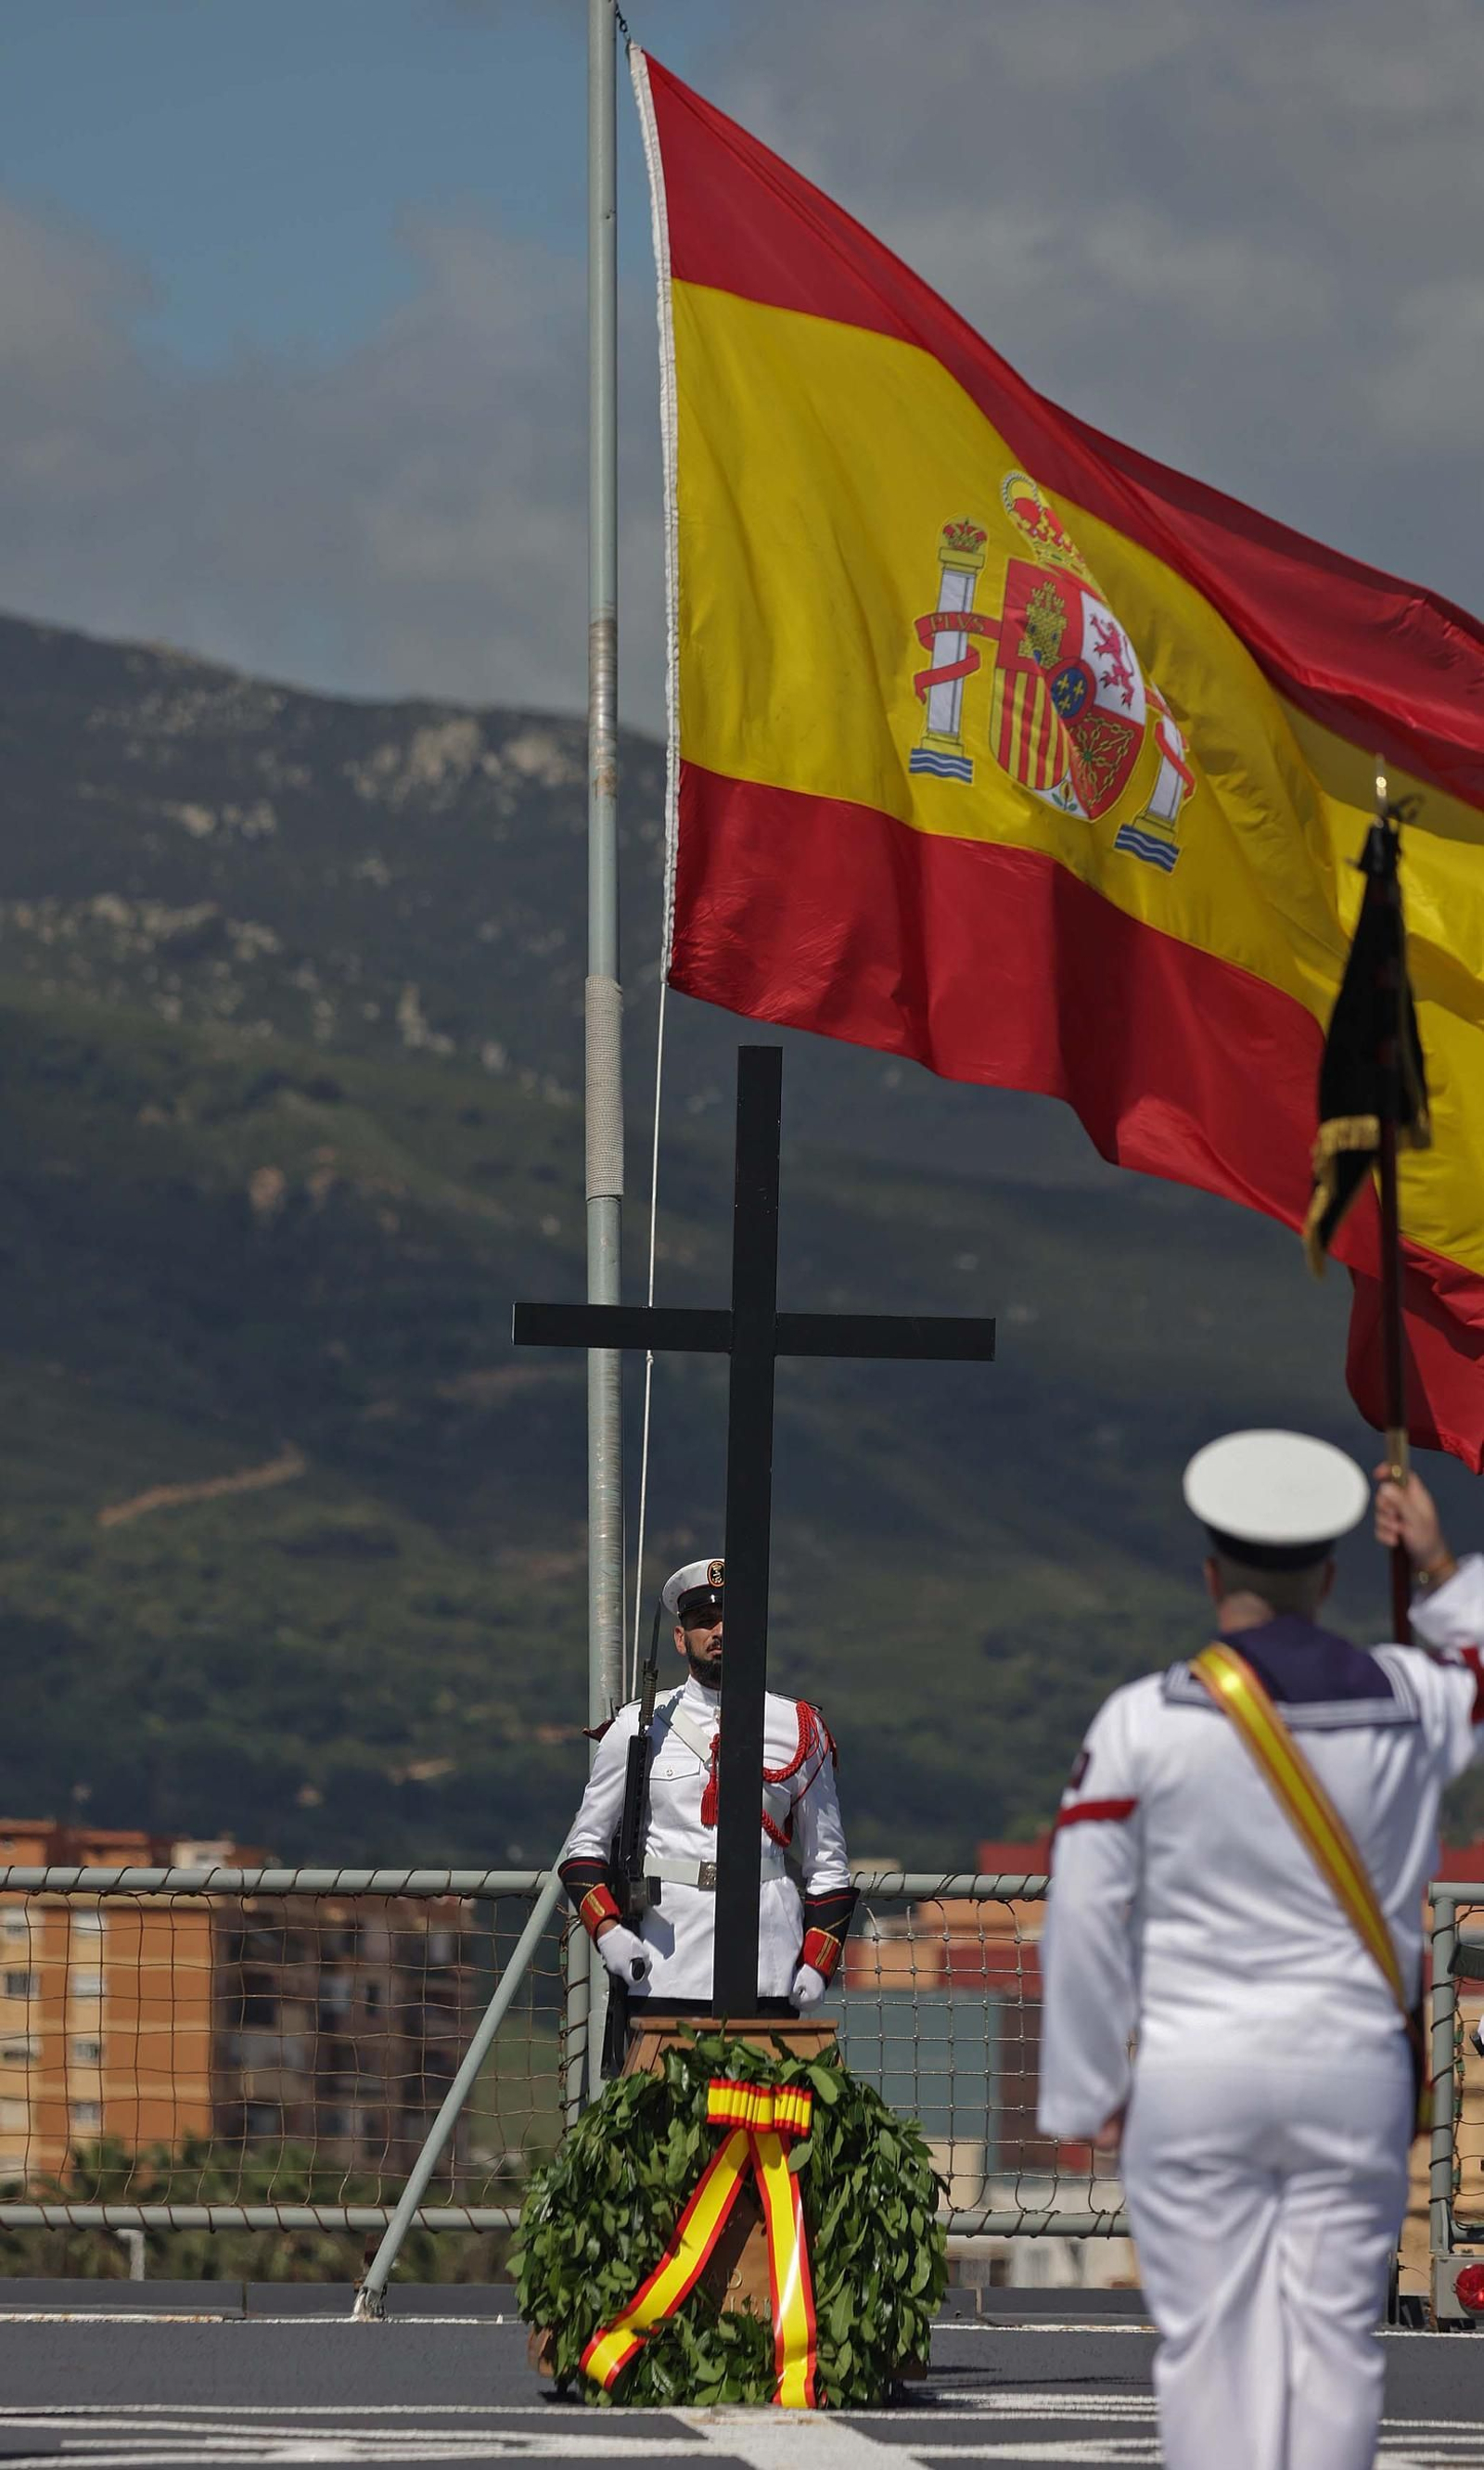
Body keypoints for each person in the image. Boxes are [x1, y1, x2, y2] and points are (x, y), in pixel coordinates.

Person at [1037, 1428, 1484, 2470]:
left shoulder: (1141, 1720)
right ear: (1329, 1575)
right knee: (1333, 2345)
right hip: (1350, 2068)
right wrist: (1430, 1560)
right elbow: (1474, 1662)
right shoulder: (1404, 1701)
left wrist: (1087, 2086)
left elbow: (1087, 1910)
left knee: (1208, 2349)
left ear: (1209, 1574)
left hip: (1195, 2068)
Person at [557, 1555, 856, 2025]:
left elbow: (829, 1865)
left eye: (730, 1620)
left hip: (769, 1960)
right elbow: (583, 1849)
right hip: (664, 1964)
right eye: (703, 1622)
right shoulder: (638, 1725)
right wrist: (609, 1931)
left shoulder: (800, 1728)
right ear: (681, 1639)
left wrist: (818, 1963)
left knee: (760, 2101)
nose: (718, 1631)